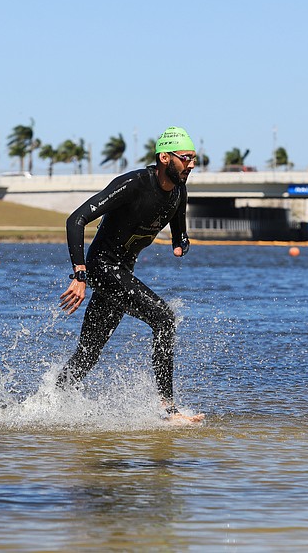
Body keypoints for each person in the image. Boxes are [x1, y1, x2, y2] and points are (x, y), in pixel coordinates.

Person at [57, 126, 203, 423]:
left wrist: (180, 244)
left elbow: (179, 232)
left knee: (88, 354)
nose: (191, 164)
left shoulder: (178, 192)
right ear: (165, 157)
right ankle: (169, 409)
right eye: (186, 158)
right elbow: (76, 219)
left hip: (121, 274)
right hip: (101, 268)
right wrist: (80, 275)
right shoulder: (133, 184)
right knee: (164, 319)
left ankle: (49, 401)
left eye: (194, 159)